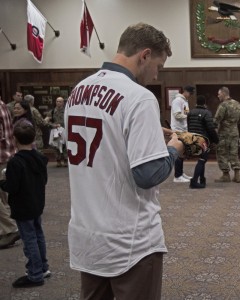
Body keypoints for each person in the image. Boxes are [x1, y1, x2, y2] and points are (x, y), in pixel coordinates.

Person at [64, 23, 183, 300]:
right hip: (130, 239)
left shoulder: (78, 90)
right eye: (158, 65)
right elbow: (148, 174)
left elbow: (107, 141)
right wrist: (173, 149)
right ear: (144, 55)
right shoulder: (139, 97)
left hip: (87, 231)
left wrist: (149, 135)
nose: (156, 74)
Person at [0, 122, 50, 288]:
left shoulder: (16, 162)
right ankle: (43, 267)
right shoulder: (39, 157)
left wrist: (2, 182)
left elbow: (12, 187)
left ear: (14, 140)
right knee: (38, 235)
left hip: (23, 206)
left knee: (29, 239)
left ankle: (35, 274)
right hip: (37, 203)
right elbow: (44, 180)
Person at [0, 96, 21, 250]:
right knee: (3, 196)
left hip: (1, 156)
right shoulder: (2, 104)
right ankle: (6, 229)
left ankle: (10, 229)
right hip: (6, 155)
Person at [187, 95, 219, 189]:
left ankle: (202, 179)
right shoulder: (206, 113)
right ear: (205, 103)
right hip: (203, 140)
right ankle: (194, 181)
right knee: (202, 160)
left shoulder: (191, 112)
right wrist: (215, 140)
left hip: (193, 138)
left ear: (196, 102)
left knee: (202, 159)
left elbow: (188, 125)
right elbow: (210, 128)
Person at [214, 86, 240, 183]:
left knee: (222, 153)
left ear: (223, 93)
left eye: (219, 94)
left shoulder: (223, 105)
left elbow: (217, 119)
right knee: (234, 153)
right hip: (235, 132)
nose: (218, 96)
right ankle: (237, 175)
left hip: (224, 134)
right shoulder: (238, 104)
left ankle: (226, 175)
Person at [170, 85, 195, 183]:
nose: (190, 95)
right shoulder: (177, 100)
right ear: (185, 91)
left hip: (183, 129)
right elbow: (177, 115)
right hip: (178, 130)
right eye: (190, 93)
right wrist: (187, 115)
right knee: (179, 152)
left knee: (182, 152)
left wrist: (187, 114)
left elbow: (185, 113)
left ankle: (181, 173)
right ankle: (177, 176)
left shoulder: (185, 101)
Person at [45, 97, 67, 167]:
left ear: (63, 103)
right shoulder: (52, 112)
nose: (58, 103)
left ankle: (65, 160)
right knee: (56, 146)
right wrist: (53, 125)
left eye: (60, 101)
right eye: (57, 101)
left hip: (64, 130)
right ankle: (58, 160)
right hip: (56, 131)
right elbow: (45, 121)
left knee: (65, 145)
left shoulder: (66, 111)